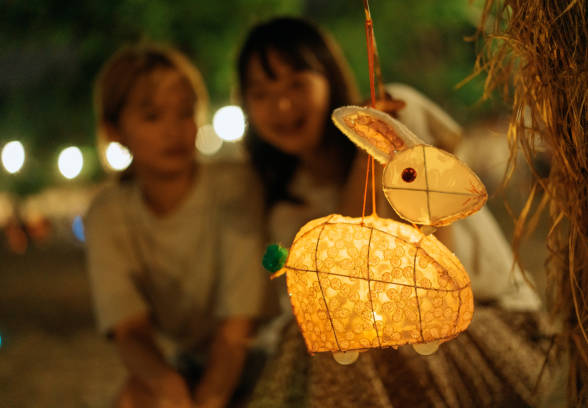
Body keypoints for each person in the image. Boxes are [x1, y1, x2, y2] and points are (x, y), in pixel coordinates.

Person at [236, 17, 553, 407]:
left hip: (488, 318)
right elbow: (345, 293)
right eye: (262, 93)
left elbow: (433, 263)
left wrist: (373, 145)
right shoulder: (288, 204)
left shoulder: (391, 112)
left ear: (329, 78)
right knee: (325, 339)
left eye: (297, 84)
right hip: (398, 338)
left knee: (363, 346)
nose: (282, 105)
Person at [85, 43, 271, 408]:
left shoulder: (234, 187)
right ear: (113, 130)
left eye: (185, 113)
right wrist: (166, 385)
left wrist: (207, 399)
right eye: (153, 116)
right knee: (133, 397)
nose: (174, 130)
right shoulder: (108, 213)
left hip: (264, 353)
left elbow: (237, 331)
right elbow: (128, 330)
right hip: (191, 362)